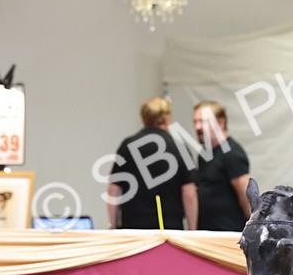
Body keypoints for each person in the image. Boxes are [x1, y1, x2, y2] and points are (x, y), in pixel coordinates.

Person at [107, 98, 198, 230]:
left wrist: (113, 226)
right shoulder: (180, 148)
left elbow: (113, 189)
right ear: (167, 118)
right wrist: (192, 230)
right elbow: (189, 193)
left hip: (133, 226)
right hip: (169, 226)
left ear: (143, 118)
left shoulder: (127, 146)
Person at [193, 100, 251, 231]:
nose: (197, 127)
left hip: (228, 233)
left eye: (203, 122)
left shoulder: (232, 153)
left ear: (221, 123)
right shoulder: (204, 154)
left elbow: (246, 197)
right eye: (195, 122)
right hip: (207, 232)